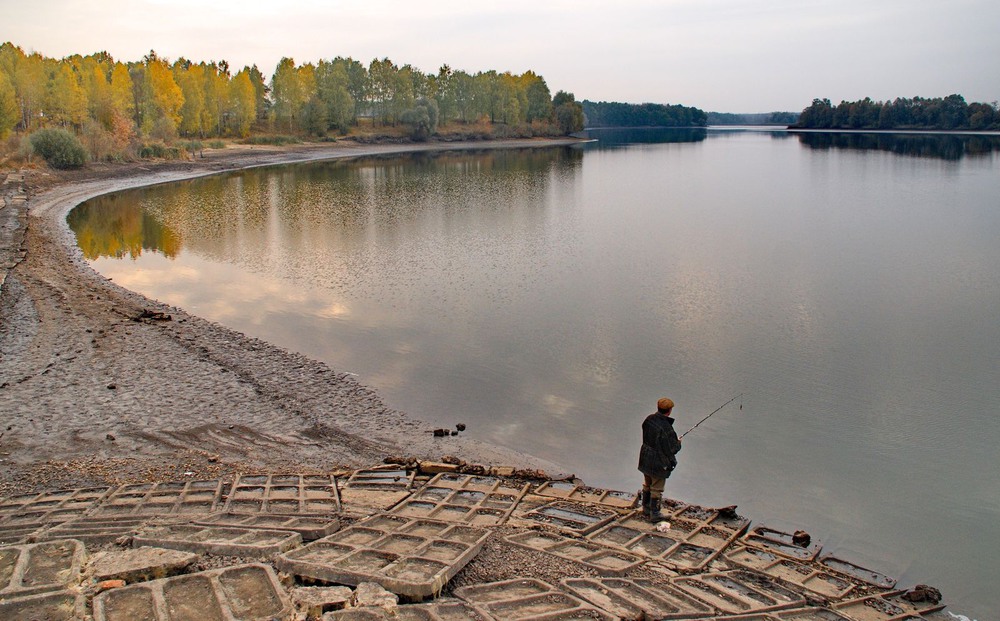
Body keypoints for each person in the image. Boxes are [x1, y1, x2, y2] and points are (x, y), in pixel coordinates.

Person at [638, 397, 682, 522]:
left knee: (647, 483)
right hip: (658, 462)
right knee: (657, 488)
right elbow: (672, 449)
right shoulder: (666, 428)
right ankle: (655, 514)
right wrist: (678, 442)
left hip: (645, 457)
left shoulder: (649, 419)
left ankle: (646, 508)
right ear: (669, 411)